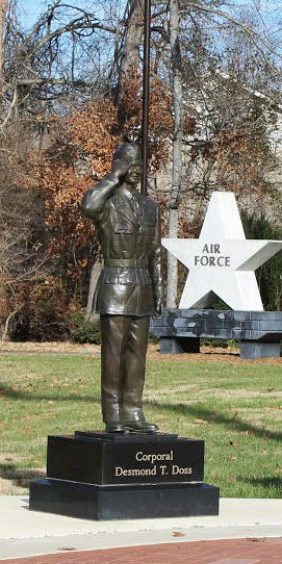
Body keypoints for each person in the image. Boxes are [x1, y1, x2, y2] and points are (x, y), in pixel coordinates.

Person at [81, 142, 164, 433]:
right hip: (115, 284)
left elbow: (156, 253)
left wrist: (160, 292)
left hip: (141, 286)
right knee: (113, 356)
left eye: (139, 163)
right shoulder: (106, 203)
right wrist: (112, 176)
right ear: (120, 165)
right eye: (130, 162)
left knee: (137, 356)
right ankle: (113, 412)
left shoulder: (150, 207)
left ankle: (133, 410)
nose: (137, 168)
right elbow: (87, 206)